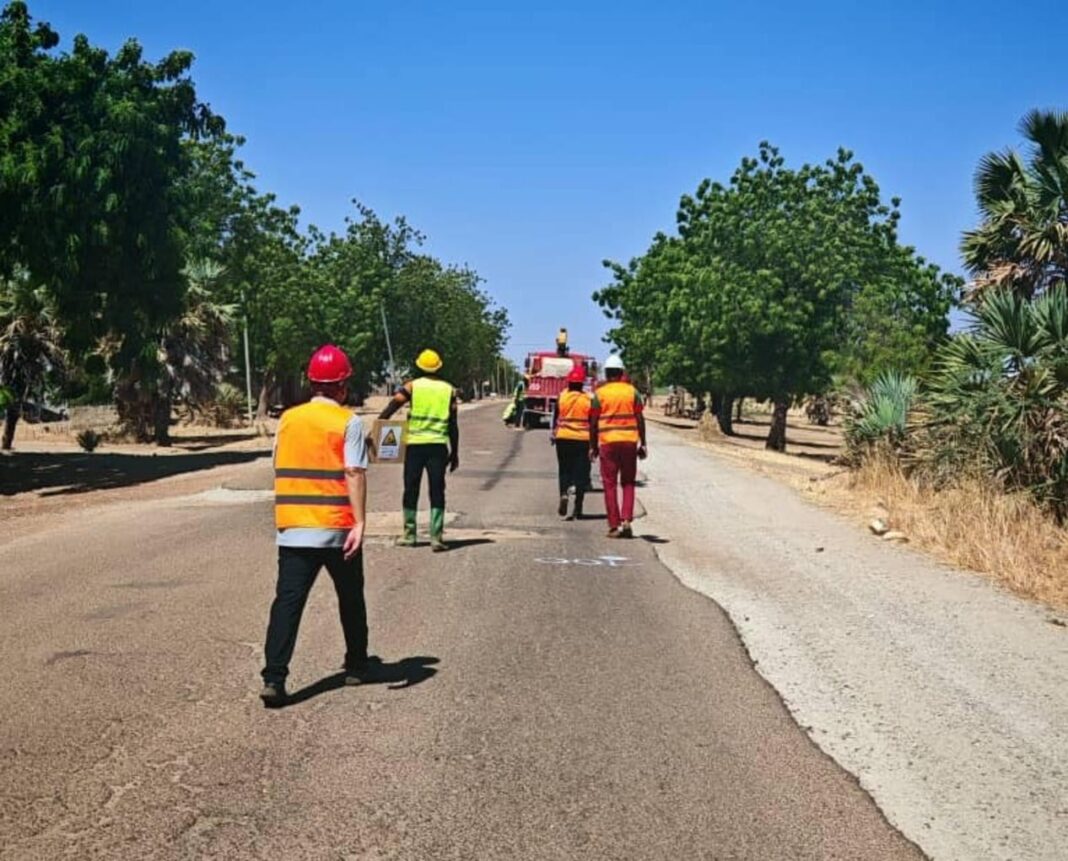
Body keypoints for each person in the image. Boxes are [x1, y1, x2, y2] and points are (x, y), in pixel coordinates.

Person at [261, 344, 370, 707]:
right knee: (351, 597)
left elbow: (278, 463)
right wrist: (360, 522)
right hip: (337, 528)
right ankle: (356, 665)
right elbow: (353, 471)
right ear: (342, 385)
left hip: (293, 527)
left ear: (311, 383)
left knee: (287, 604)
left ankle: (274, 678)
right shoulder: (348, 421)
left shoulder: (287, 419)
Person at [380, 348, 458, 551]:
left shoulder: (412, 386)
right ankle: (436, 538)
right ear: (438, 367)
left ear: (419, 366)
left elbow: (393, 405)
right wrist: (455, 452)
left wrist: (379, 425)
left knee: (411, 488)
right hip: (438, 447)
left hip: (415, 445)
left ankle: (409, 535)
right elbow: (453, 425)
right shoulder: (449, 390)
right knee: (437, 490)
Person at [589, 354, 647, 539]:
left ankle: (614, 526)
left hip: (608, 443)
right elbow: (640, 418)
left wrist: (592, 446)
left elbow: (593, 422)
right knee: (628, 482)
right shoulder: (633, 392)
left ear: (606, 373)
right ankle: (627, 520)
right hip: (630, 442)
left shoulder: (600, 394)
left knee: (610, 484)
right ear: (622, 372)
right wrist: (643, 443)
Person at [552, 365, 592, 520]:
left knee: (564, 470)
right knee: (581, 473)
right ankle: (578, 507)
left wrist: (554, 434)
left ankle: (563, 494)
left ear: (569, 382)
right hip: (582, 439)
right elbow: (593, 422)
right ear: (582, 383)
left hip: (563, 437)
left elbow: (556, 418)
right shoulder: (588, 398)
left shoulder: (562, 396)